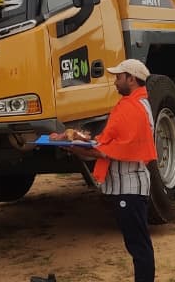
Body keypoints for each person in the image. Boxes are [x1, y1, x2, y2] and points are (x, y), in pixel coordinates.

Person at [66, 58, 157, 282]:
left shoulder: (133, 109)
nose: (115, 82)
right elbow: (110, 143)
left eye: (119, 77)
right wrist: (80, 143)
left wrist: (76, 148)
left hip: (130, 187)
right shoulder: (137, 105)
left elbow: (110, 150)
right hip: (129, 185)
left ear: (132, 79)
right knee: (137, 243)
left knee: (138, 244)